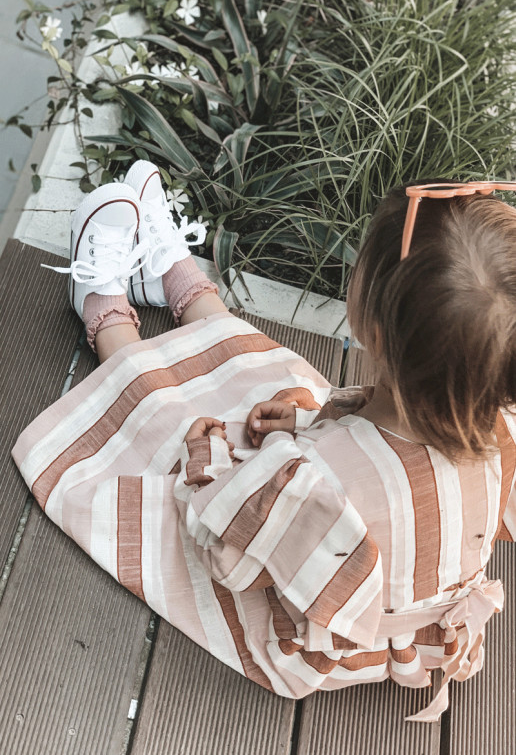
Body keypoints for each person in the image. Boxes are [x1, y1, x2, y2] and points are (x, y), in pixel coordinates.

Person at [12, 165, 516, 723]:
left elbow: (224, 555)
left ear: (370, 327)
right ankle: (182, 286)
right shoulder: (498, 434)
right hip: (405, 625)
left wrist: (208, 461)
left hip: (319, 636)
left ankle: (108, 318)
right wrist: (309, 422)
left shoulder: (323, 479)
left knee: (178, 431)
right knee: (289, 393)